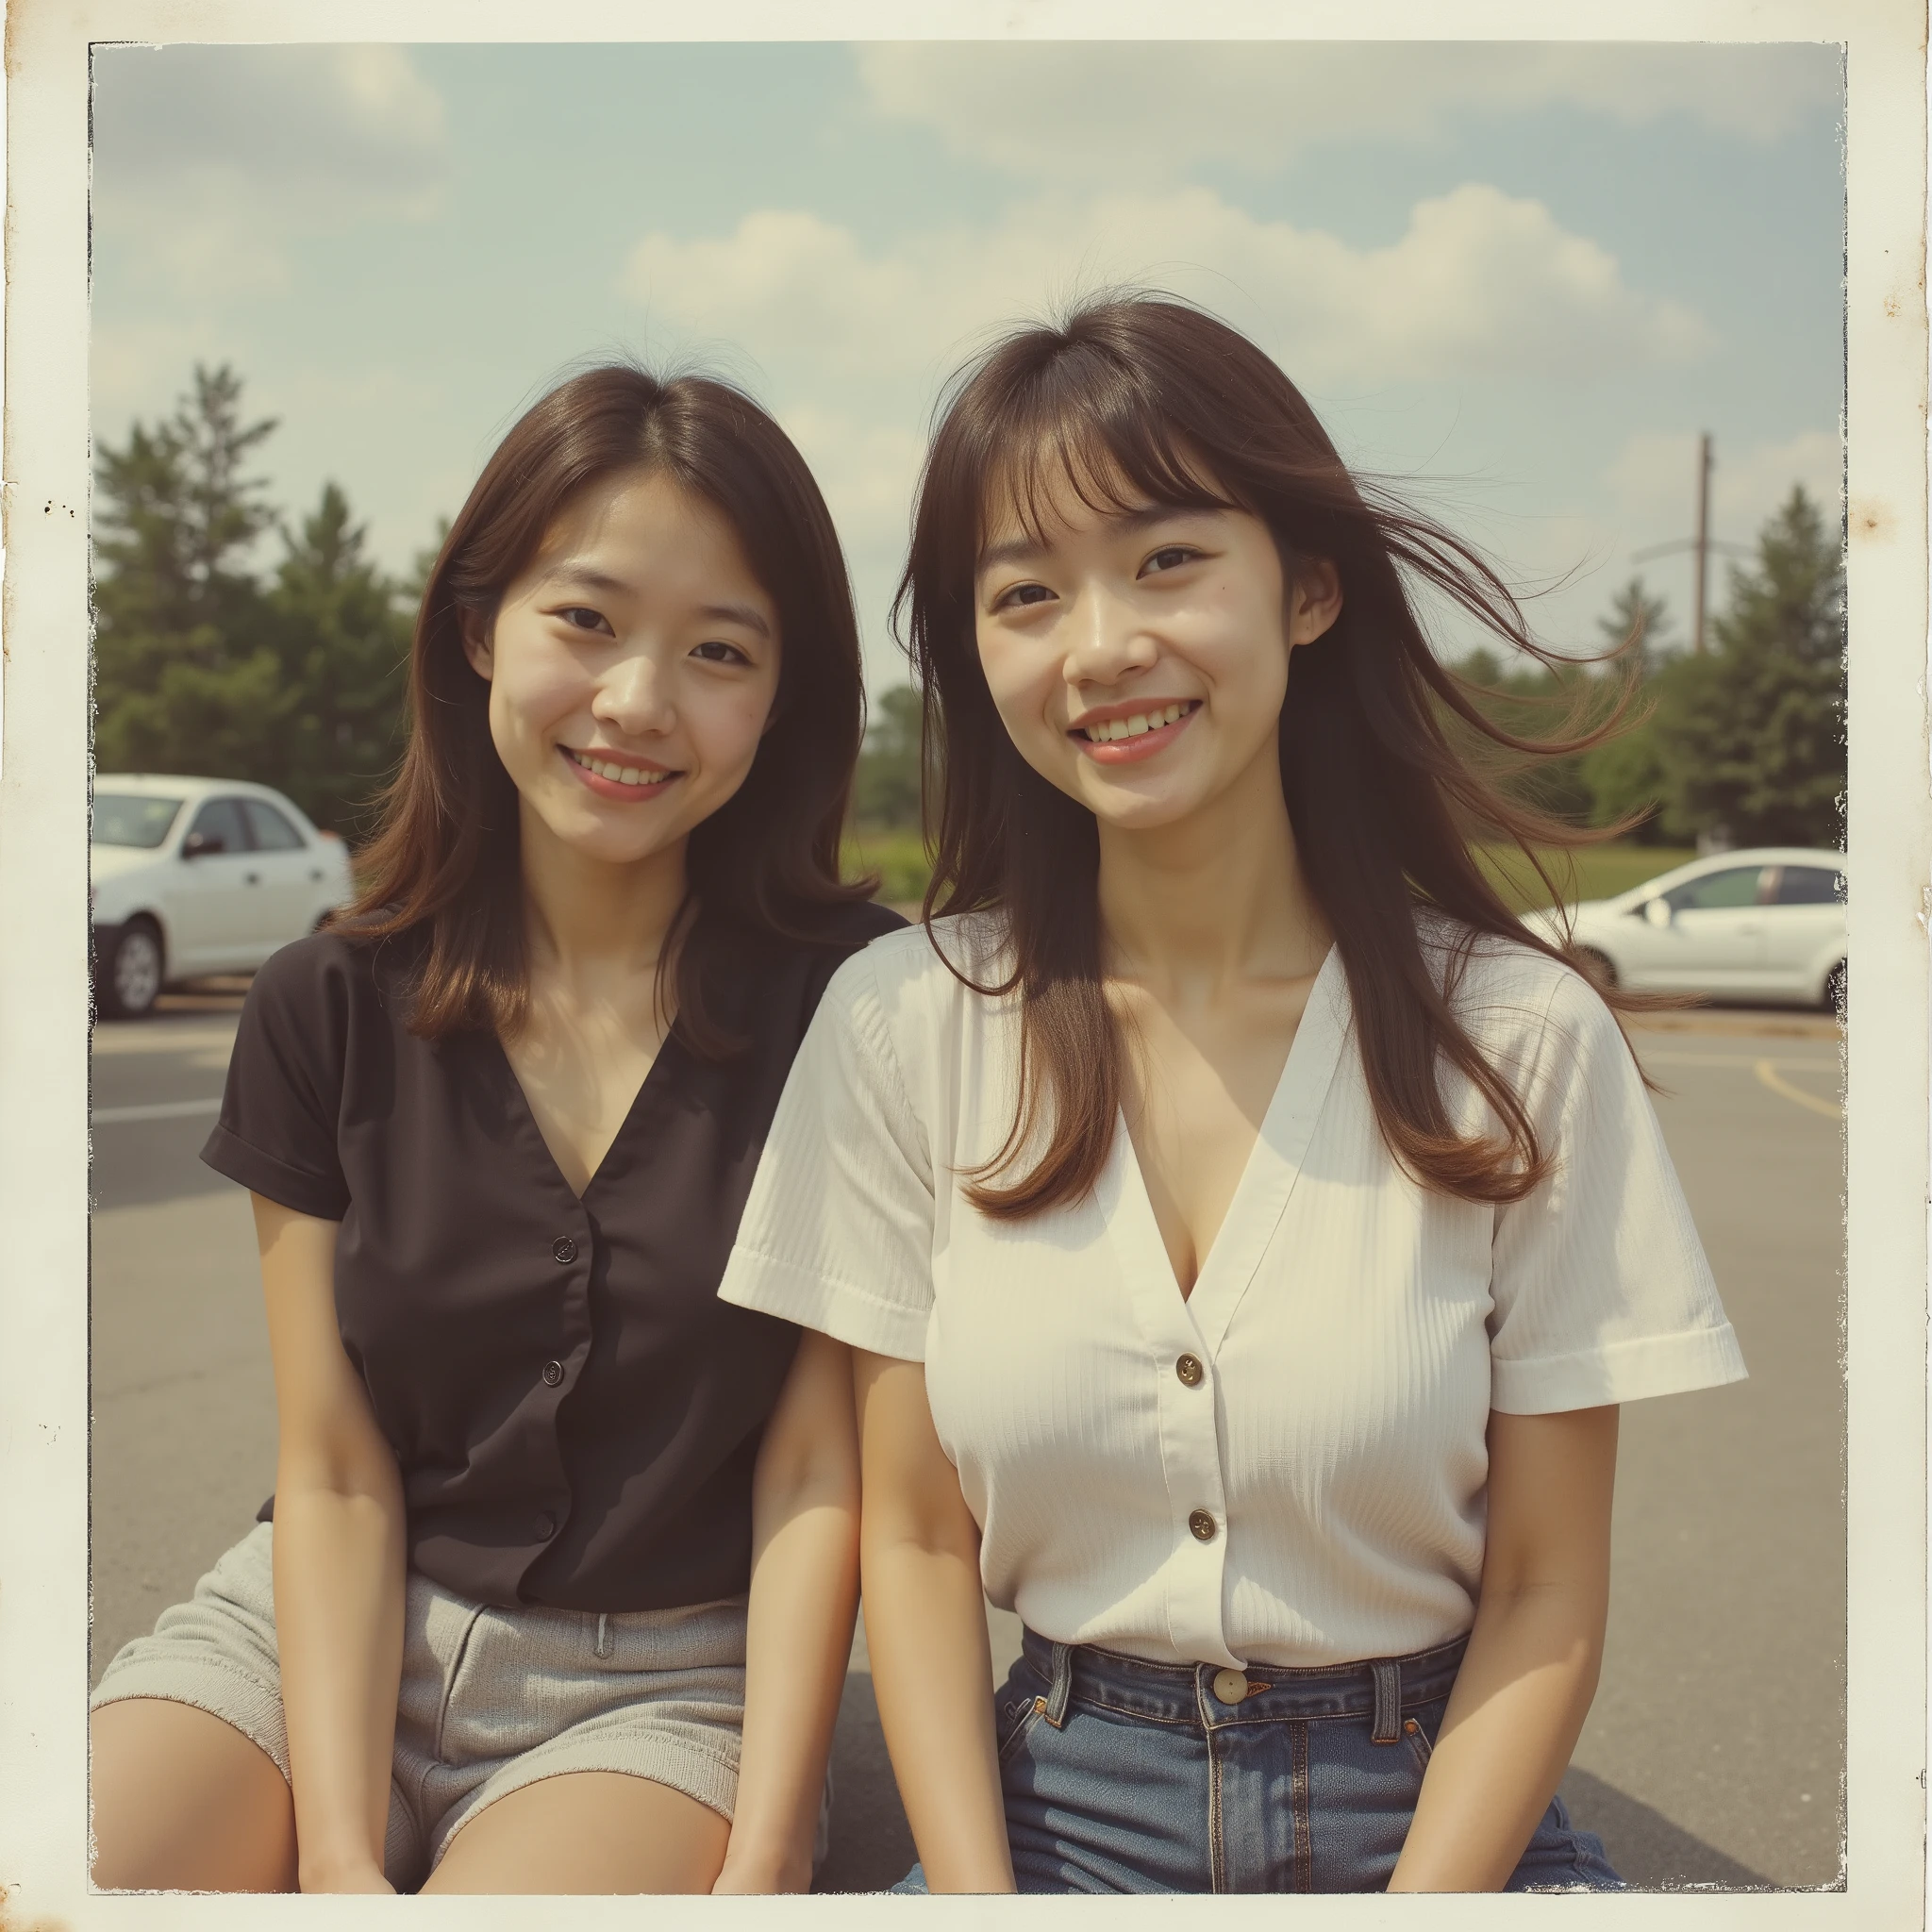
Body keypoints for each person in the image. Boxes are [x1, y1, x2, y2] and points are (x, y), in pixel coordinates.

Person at [716, 296, 1747, 1894]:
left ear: (1310, 586)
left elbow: (1546, 1589)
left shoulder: (1521, 1038)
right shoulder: (902, 1023)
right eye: (1026, 595)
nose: (1102, 643)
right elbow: (912, 1539)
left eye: (1168, 560)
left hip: (1438, 1831)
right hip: (1052, 1818)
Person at [89, 365, 900, 1894]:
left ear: (781, 696)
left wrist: (773, 1847)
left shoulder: (859, 1007)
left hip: (655, 1689)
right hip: (307, 1632)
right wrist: (336, 1855)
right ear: (478, 632)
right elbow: (330, 1468)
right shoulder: (322, 1001)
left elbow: (818, 1472)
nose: (639, 703)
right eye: (584, 621)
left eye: (718, 651)